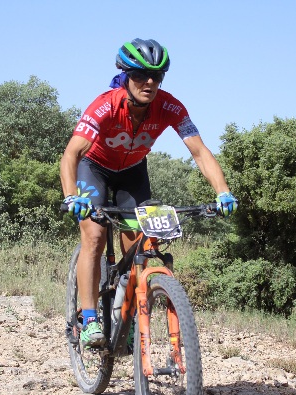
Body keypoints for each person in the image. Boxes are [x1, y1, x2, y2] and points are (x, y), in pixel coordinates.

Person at [60, 38, 238, 348]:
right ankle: (87, 318)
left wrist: (223, 192)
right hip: (95, 168)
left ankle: (128, 316)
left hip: (133, 173)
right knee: (94, 237)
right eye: (141, 75)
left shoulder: (169, 106)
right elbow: (70, 155)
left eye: (158, 76)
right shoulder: (105, 105)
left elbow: (199, 152)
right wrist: (71, 196)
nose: (150, 82)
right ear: (127, 75)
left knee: (142, 245)